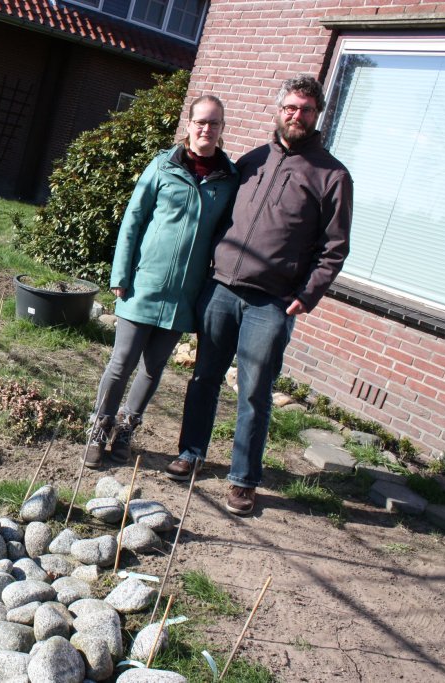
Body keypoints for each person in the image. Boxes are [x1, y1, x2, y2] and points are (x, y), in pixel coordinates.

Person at [164, 75, 353, 516]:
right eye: (290, 107)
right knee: (204, 378)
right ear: (279, 109)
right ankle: (191, 452)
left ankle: (243, 479)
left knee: (254, 393)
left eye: (305, 109)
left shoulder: (332, 175)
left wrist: (307, 296)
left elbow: (334, 247)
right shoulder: (252, 160)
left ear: (317, 115)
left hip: (272, 303)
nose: (296, 116)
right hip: (222, 289)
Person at [84, 95, 239, 468]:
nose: (207, 129)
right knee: (122, 362)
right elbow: (133, 220)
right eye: (201, 121)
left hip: (185, 296)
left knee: (154, 369)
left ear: (222, 129)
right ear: (189, 124)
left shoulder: (228, 179)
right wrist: (121, 274)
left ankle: (125, 430)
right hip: (144, 284)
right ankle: (98, 429)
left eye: (214, 123)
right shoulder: (162, 166)